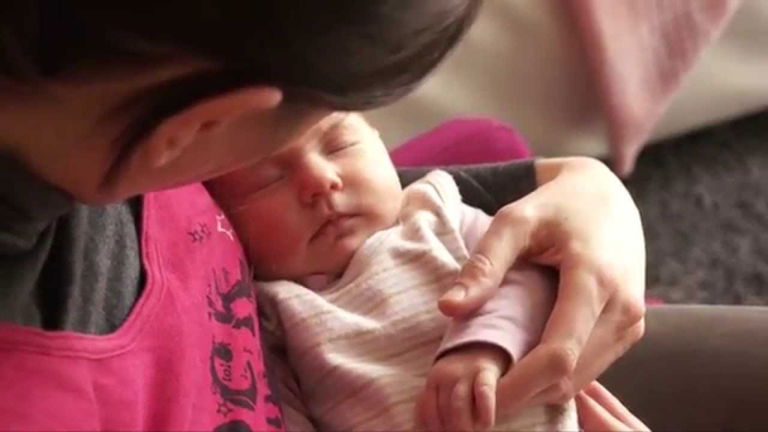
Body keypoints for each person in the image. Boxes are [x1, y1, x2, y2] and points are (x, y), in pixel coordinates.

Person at [0, 1, 667, 430]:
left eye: (341, 138)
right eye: (268, 170)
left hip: (538, 376)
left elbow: (433, 226)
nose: (321, 182)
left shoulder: (111, 111)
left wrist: (588, 189)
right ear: (200, 128)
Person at [207, 112, 581, 431]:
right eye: (268, 178)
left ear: (378, 140)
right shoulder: (270, 310)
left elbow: (526, 276)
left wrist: (484, 346)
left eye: (339, 145)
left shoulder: (436, 212)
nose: (320, 181)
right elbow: (274, 412)